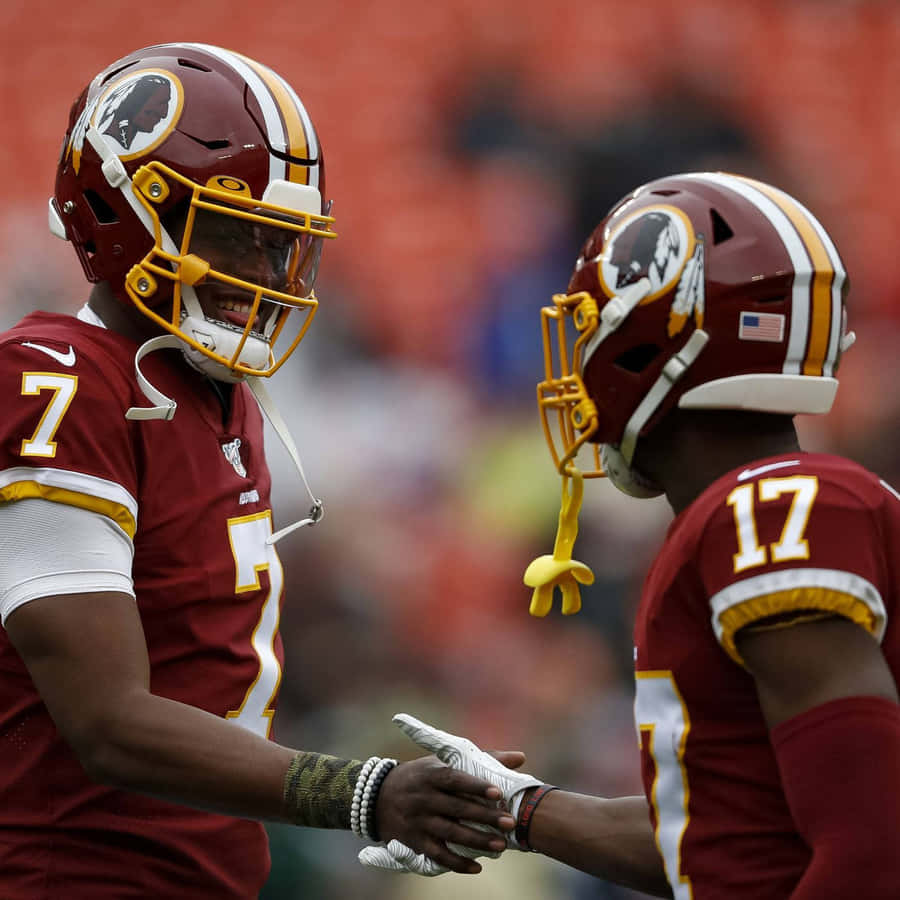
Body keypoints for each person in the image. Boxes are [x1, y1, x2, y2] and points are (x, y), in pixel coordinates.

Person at [0, 42, 519, 899]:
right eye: (234, 236)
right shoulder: (53, 379)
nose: (268, 273)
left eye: (280, 242)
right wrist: (365, 793)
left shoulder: (212, 391)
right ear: (124, 212)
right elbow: (105, 720)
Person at [362, 172, 900, 898]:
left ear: (652, 341)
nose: (578, 360)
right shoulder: (750, 508)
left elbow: (872, 845)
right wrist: (517, 808)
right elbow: (713, 843)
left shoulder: (770, 511)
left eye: (592, 327)